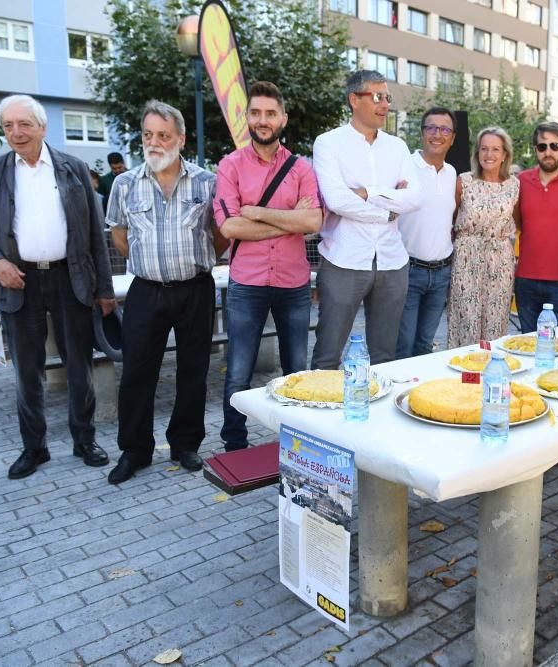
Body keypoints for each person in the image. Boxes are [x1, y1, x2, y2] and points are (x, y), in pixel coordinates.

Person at [0, 94, 116, 479]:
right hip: (20, 282)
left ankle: (84, 439)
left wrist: (104, 289)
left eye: (24, 124)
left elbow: (94, 235)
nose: (16, 133)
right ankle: (34, 448)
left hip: (72, 278)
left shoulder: (72, 167)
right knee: (27, 371)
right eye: (8, 126)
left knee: (79, 366)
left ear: (42, 127)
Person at [105, 100, 227, 484]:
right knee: (137, 371)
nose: (154, 142)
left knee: (194, 369)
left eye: (163, 135)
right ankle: (134, 450)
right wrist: (150, 262)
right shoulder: (125, 184)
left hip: (195, 289)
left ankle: (185, 443)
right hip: (146, 291)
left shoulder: (207, 182)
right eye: (148, 135)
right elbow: (120, 235)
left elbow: (220, 236)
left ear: (181, 138)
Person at [215, 81, 322, 451]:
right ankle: (234, 443)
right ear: (247, 117)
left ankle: (297, 443)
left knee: (297, 370)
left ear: (283, 118)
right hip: (247, 283)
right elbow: (229, 226)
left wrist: (258, 213)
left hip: (293, 284)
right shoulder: (230, 166)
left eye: (270, 113)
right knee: (240, 372)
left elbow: (313, 223)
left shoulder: (300, 168)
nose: (263, 120)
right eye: (256, 113)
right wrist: (289, 217)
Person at [311, 70, 423, 368]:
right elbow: (336, 200)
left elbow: (415, 198)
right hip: (344, 259)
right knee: (327, 354)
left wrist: (366, 192)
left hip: (392, 260)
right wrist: (388, 207)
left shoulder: (397, 147)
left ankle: (376, 412)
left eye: (387, 97)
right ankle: (322, 413)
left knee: (386, 357)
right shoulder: (328, 143)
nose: (385, 104)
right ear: (354, 100)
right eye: (377, 97)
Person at [447, 127, 520, 347]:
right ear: (477, 153)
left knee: (496, 320)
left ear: (505, 154)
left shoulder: (514, 185)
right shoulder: (464, 181)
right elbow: (450, 221)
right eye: (484, 149)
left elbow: (518, 222)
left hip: (500, 259)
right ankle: (462, 373)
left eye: (495, 149)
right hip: (466, 257)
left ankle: (492, 371)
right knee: (465, 318)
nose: (489, 155)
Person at [396, 106, 457, 358]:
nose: (437, 134)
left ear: (452, 137)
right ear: (422, 133)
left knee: (425, 345)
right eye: (431, 128)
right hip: (409, 270)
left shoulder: (452, 173)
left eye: (444, 129)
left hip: (442, 273)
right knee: (403, 344)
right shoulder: (404, 166)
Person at [515, 121, 558, 333]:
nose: (548, 152)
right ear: (535, 149)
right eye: (542, 146)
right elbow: (518, 222)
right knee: (526, 345)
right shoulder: (521, 181)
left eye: (554, 146)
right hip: (526, 280)